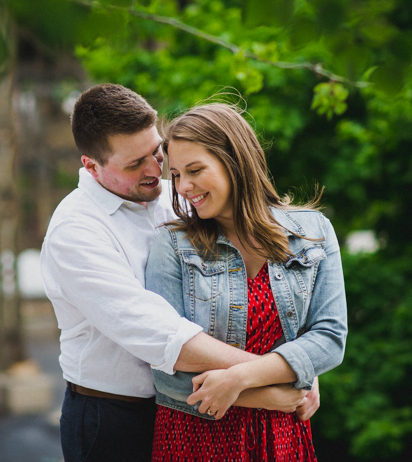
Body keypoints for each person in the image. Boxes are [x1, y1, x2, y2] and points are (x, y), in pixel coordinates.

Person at [40, 85, 319, 462]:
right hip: (113, 420)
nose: (155, 170)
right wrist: (284, 372)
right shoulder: (75, 232)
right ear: (91, 166)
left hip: (190, 412)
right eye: (134, 163)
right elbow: (164, 337)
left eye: (156, 151)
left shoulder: (179, 197)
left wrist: (299, 365)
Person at [146, 103, 348, 461]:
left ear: (235, 162)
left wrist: (239, 379)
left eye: (195, 170)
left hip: (283, 436)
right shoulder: (172, 246)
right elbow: (165, 371)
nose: (183, 186)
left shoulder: (313, 233)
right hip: (196, 435)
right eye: (176, 174)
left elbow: (330, 338)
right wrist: (265, 393)